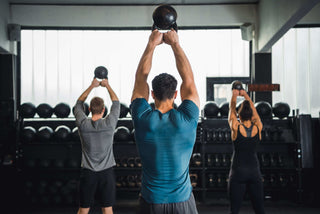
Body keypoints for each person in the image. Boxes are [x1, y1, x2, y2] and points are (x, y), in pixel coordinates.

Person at [130, 29, 200, 214]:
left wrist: (151, 44)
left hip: (152, 201)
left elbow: (140, 79)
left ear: (152, 94)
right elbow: (189, 80)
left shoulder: (142, 118)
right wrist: (175, 44)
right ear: (176, 94)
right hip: (183, 201)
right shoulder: (188, 118)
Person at [73, 78, 120, 214]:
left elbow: (78, 103)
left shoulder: (83, 124)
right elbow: (116, 103)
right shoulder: (110, 124)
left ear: (89, 109)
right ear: (104, 110)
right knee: (107, 209)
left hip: (88, 173)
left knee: (83, 209)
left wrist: (92, 86)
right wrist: (107, 86)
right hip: (107, 173)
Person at [228, 88, 265, 214]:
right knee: (260, 210)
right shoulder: (258, 126)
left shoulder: (236, 127)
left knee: (234, 210)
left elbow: (231, 111)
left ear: (239, 114)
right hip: (254, 172)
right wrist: (245, 96)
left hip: (238, 172)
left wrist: (234, 96)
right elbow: (255, 113)